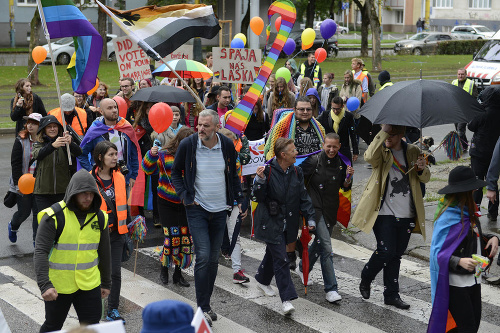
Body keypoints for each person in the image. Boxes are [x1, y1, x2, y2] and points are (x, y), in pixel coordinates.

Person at [171, 109, 243, 326]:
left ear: (216, 127)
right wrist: (185, 196)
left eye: (206, 126)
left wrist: (239, 198)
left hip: (220, 210)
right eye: (199, 125)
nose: (200, 129)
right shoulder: (189, 144)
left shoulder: (227, 145)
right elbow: (176, 173)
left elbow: (232, 174)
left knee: (213, 259)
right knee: (203, 256)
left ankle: (206, 303)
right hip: (197, 209)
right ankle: (201, 308)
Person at [351, 124, 430, 309]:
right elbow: (369, 157)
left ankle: (391, 295)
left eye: (392, 134)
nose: (388, 137)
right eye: (387, 133)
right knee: (385, 251)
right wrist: (383, 131)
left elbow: (425, 178)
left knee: (396, 255)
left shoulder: (413, 151)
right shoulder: (382, 150)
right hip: (383, 211)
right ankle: (366, 276)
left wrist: (421, 169)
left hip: (408, 213)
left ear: (401, 134)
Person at [34, 170, 111, 333]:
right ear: (73, 192)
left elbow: (104, 252)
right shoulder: (54, 216)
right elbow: (40, 251)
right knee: (52, 327)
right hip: (59, 286)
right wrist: (44, 285)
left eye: (91, 194)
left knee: (92, 328)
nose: (88, 198)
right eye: (83, 193)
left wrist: (106, 282)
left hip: (89, 284)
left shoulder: (101, 217)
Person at [429, 166, 499, 333]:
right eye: (473, 189)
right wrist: (458, 261)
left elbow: (473, 235)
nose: (475, 192)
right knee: (463, 328)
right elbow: (436, 255)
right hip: (455, 284)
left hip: (474, 280)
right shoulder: (447, 217)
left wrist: (493, 238)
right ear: (463, 192)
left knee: (473, 325)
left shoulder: (469, 212)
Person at [252, 138, 315, 315]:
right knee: (281, 258)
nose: (297, 153)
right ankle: (286, 299)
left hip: (289, 222)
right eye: (293, 150)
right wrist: (260, 180)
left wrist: (310, 218)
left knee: (273, 254)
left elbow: (303, 196)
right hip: (271, 223)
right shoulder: (267, 171)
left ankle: (262, 279)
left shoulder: (297, 171)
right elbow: (258, 196)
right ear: (283, 155)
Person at [299, 133, 354, 303]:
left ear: (339, 146)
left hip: (331, 209)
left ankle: (302, 266)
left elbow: (344, 186)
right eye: (328, 146)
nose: (331, 150)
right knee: (327, 249)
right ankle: (331, 289)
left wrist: (348, 178)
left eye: (334, 147)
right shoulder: (313, 161)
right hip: (315, 210)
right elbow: (298, 178)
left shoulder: (343, 163)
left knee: (321, 243)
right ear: (323, 145)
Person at [143, 127, 194, 287]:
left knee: (185, 240)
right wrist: (151, 153)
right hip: (166, 202)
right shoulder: (165, 154)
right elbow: (147, 168)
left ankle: (178, 274)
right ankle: (164, 268)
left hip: (186, 203)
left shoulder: (195, 157)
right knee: (172, 238)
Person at [89, 141, 127, 324]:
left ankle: (113, 309)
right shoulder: (89, 179)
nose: (115, 158)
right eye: (111, 155)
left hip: (117, 233)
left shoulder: (119, 177)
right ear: (100, 157)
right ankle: (95, 307)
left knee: (115, 272)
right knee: (95, 271)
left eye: (115, 154)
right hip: (97, 234)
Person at [79, 98, 140, 190]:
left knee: (123, 205)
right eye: (110, 108)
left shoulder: (126, 127)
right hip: (101, 181)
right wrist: (91, 170)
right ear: (101, 111)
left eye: (115, 107)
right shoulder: (95, 130)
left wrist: (133, 175)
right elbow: (81, 154)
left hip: (124, 178)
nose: (114, 110)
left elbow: (134, 152)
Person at [218, 128, 251, 284]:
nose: (232, 146)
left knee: (235, 236)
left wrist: (240, 202)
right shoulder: (211, 157)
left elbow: (237, 182)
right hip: (214, 202)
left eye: (233, 144)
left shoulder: (235, 158)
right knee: (213, 236)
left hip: (231, 202)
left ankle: (237, 271)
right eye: (229, 143)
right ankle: (205, 268)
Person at [32, 115, 82, 212]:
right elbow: (37, 154)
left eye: (55, 126)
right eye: (49, 127)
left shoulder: (64, 142)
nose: (52, 129)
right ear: (44, 129)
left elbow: (79, 152)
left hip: (63, 191)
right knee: (45, 220)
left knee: (61, 221)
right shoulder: (39, 143)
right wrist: (52, 146)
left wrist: (70, 143)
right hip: (43, 192)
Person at [8, 113, 42, 243]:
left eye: (34, 123)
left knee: (37, 213)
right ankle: (13, 225)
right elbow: (15, 163)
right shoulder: (20, 140)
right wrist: (18, 185)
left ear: (40, 125)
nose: (30, 125)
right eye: (29, 123)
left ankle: (36, 241)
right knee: (24, 212)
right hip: (23, 184)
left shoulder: (44, 141)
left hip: (39, 183)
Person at [468, 86, 500, 222]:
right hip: (495, 154)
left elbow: (471, 126)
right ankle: (493, 212)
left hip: (479, 152)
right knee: (492, 182)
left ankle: (475, 210)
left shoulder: (482, 112)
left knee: (477, 183)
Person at [317, 96, 358, 162]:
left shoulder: (348, 116)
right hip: (329, 150)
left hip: (343, 150)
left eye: (338, 109)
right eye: (333, 108)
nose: (335, 111)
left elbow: (353, 134)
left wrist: (355, 152)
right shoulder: (325, 115)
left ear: (343, 106)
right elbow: (316, 125)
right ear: (331, 105)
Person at [452, 68, 478, 153]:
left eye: (462, 74)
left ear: (466, 75)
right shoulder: (454, 82)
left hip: (465, 110)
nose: (460, 76)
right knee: (458, 129)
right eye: (459, 74)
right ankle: (465, 144)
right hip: (456, 109)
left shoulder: (471, 83)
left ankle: (462, 147)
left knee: (460, 129)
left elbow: (474, 97)